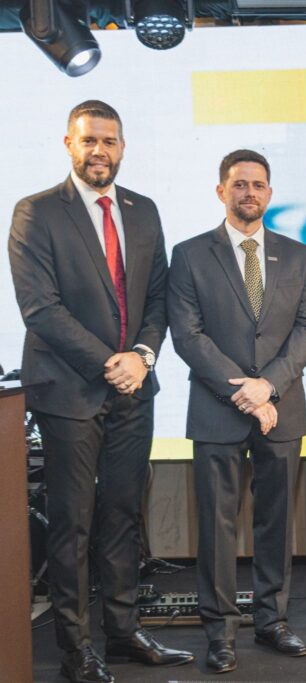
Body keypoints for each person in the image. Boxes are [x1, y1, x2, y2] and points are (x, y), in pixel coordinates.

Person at [8, 100, 193, 683]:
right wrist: (110, 362)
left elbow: (158, 297)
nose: (99, 151)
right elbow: (41, 310)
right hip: (69, 392)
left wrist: (142, 357)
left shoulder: (144, 210)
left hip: (135, 389)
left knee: (121, 516)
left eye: (109, 141)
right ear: (69, 144)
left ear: (122, 147)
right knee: (73, 523)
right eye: (89, 140)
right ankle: (75, 649)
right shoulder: (36, 212)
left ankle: (122, 632)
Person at [167, 149, 306, 673]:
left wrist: (268, 387)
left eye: (257, 185)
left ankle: (272, 621)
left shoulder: (298, 256)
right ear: (221, 191)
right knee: (216, 526)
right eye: (239, 184)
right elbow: (187, 334)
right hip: (218, 411)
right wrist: (245, 393)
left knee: (277, 522)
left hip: (282, 408)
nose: (249, 192)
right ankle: (220, 632)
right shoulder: (190, 254)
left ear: (270, 193)